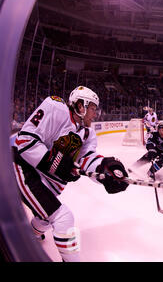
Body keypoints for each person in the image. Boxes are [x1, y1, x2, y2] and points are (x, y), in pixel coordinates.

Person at [12, 86, 129, 262]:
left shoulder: (87, 133)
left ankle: (29, 235)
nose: (95, 114)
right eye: (92, 108)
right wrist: (55, 162)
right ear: (81, 106)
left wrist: (105, 168)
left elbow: (87, 159)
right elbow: (25, 140)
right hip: (25, 170)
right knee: (63, 218)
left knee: (44, 218)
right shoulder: (55, 108)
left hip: (48, 182)